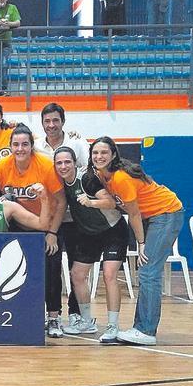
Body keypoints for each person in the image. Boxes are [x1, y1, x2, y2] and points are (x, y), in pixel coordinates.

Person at [90, 136, 184, 346]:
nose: (99, 156)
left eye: (104, 152)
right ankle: (140, 327)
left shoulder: (121, 178)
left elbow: (133, 213)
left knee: (149, 271)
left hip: (166, 213)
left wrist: (141, 244)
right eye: (95, 153)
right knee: (147, 271)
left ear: (113, 154)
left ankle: (147, 330)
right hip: (153, 216)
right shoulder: (102, 175)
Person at [0, 124, 66, 338]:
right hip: (18, 225)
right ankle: (22, 314)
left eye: (25, 144)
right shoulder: (2, 167)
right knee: (15, 270)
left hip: (46, 225)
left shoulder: (45, 165)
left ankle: (53, 317)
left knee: (50, 268)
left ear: (32, 146)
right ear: (10, 147)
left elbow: (62, 202)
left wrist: (52, 233)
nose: (20, 149)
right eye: (15, 144)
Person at [54, 147, 128, 343]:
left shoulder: (87, 178)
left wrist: (91, 202)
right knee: (77, 275)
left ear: (75, 163)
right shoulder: (60, 183)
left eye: (67, 162)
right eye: (59, 163)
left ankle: (113, 325)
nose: (63, 166)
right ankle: (87, 321)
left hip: (113, 229)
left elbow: (110, 202)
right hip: (89, 233)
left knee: (109, 274)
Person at [34, 103, 89, 170]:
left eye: (55, 120)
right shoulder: (35, 146)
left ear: (63, 122)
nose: (51, 125)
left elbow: (88, 169)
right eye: (47, 121)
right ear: (42, 123)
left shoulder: (78, 143)